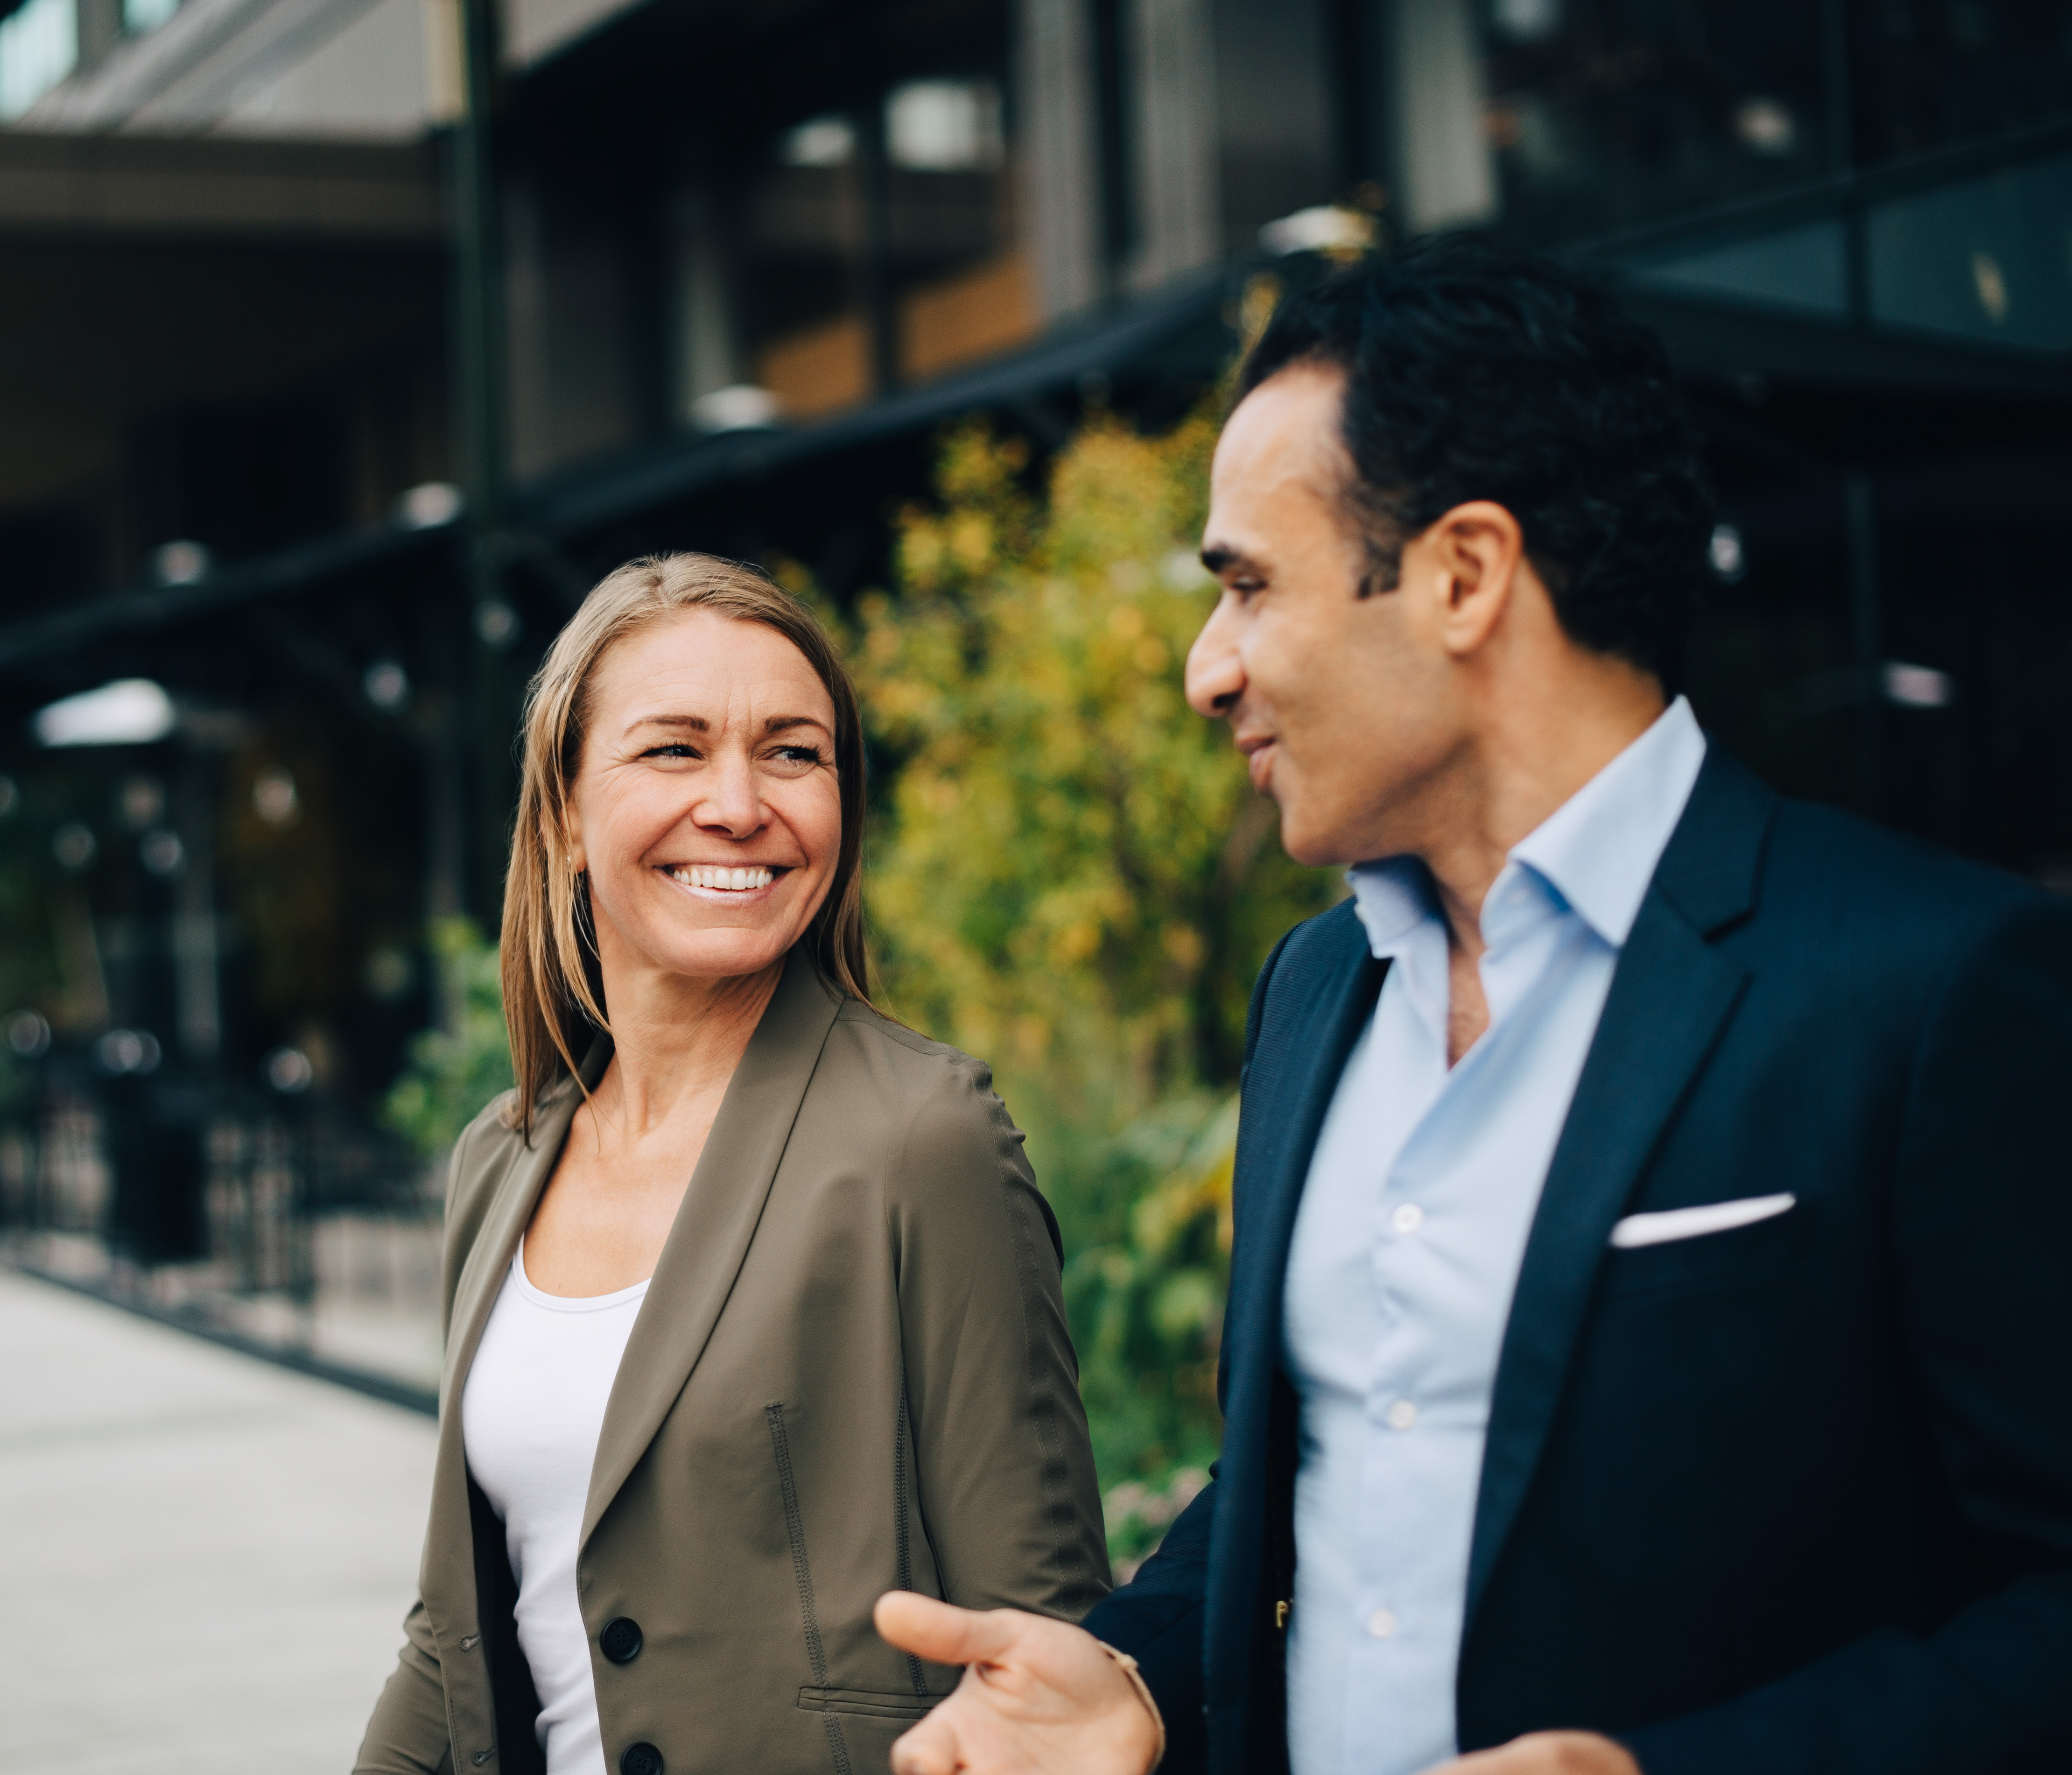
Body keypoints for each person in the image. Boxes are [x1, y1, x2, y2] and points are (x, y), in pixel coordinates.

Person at [872, 237, 2072, 1775]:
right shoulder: (1314, 990)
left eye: (1245, 586)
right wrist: (1141, 1670)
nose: (1204, 669)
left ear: (1461, 574)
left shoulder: (1938, 986)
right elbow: (1321, 1463)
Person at [354, 554, 1109, 1775]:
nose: (740, 802)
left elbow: (1041, 1650)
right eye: (673, 749)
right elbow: (458, 1644)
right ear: (561, 813)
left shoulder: (923, 1138)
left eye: (793, 751)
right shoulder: (497, 1161)